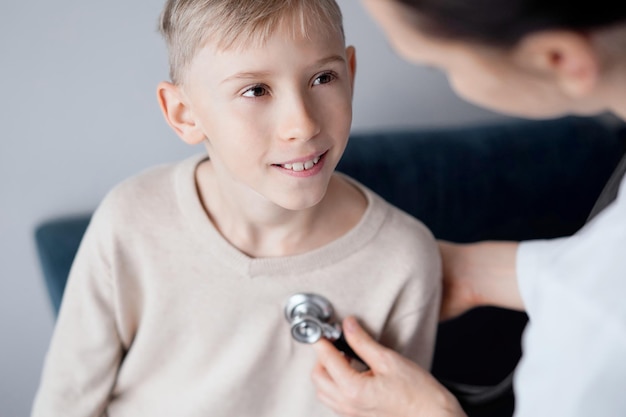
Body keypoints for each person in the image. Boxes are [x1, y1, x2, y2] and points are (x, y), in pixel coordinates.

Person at [30, 1, 443, 416]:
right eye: (255, 90)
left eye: (322, 77)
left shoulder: (403, 258)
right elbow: (66, 401)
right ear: (184, 114)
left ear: (350, 76)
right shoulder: (132, 220)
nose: (302, 124)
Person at [311, 0, 626, 416]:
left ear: (557, 58)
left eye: (439, 66)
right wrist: (477, 272)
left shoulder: (592, 338)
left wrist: (426, 411)